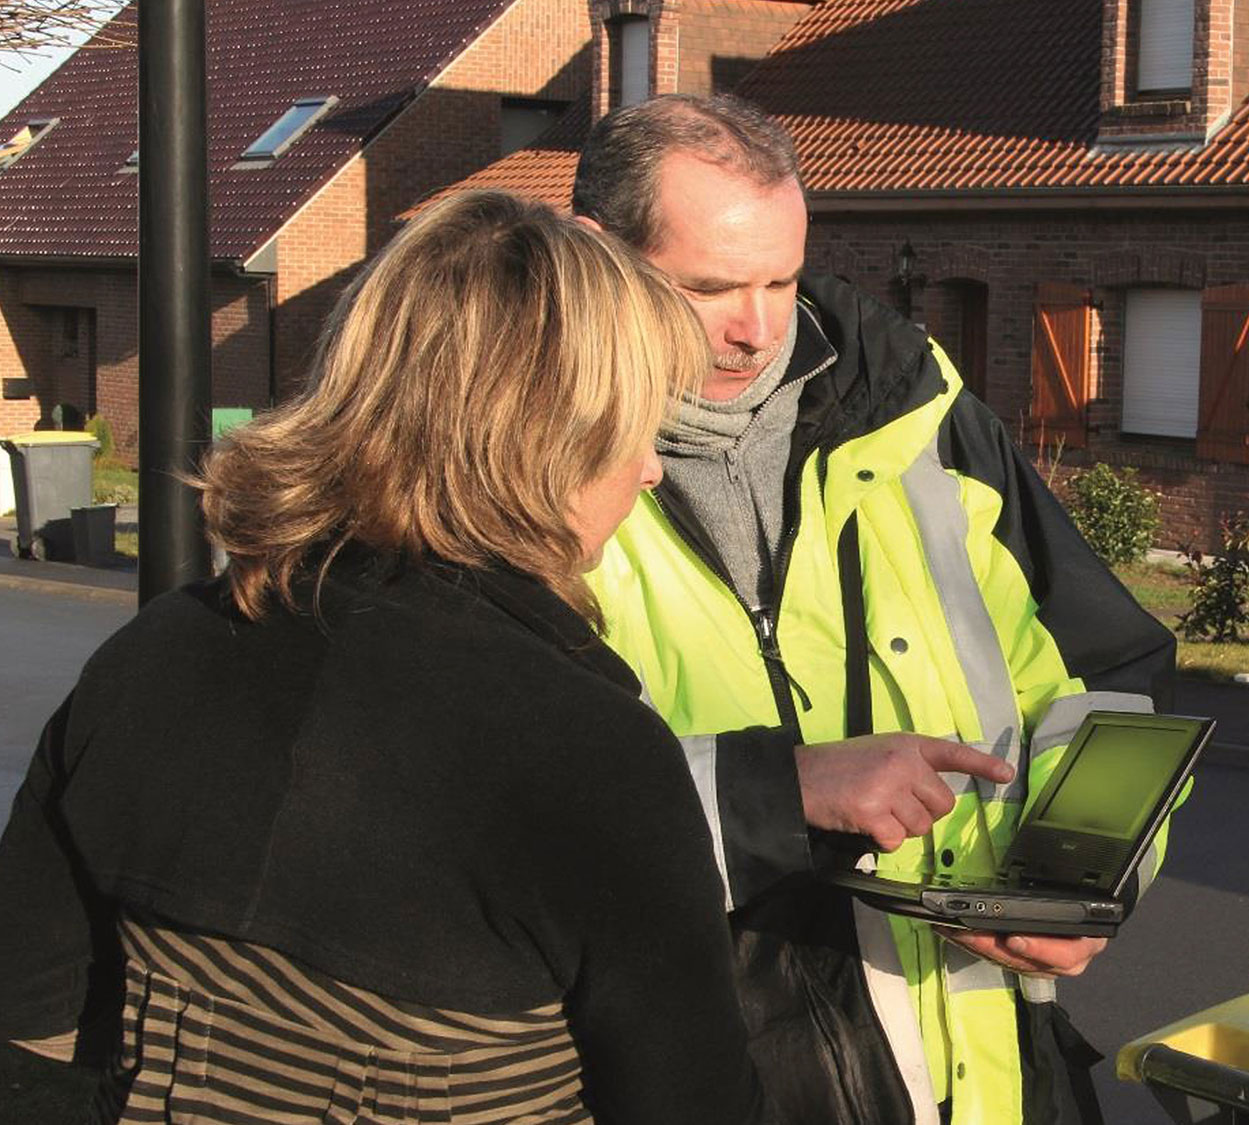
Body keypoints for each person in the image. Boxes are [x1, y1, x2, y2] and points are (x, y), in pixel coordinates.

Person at [0, 190, 766, 1124]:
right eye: (639, 427)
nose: (651, 468)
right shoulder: (589, 754)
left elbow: (34, 1018)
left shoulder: (155, 653)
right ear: (547, 439)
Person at [570, 94, 1176, 1125]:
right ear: (592, 254)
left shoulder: (925, 418)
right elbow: (490, 815)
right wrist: (781, 789)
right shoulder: (518, 470)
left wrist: (1087, 880)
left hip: (990, 1067)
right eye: (710, 287)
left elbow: (1103, 677)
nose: (757, 328)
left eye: (783, 279)